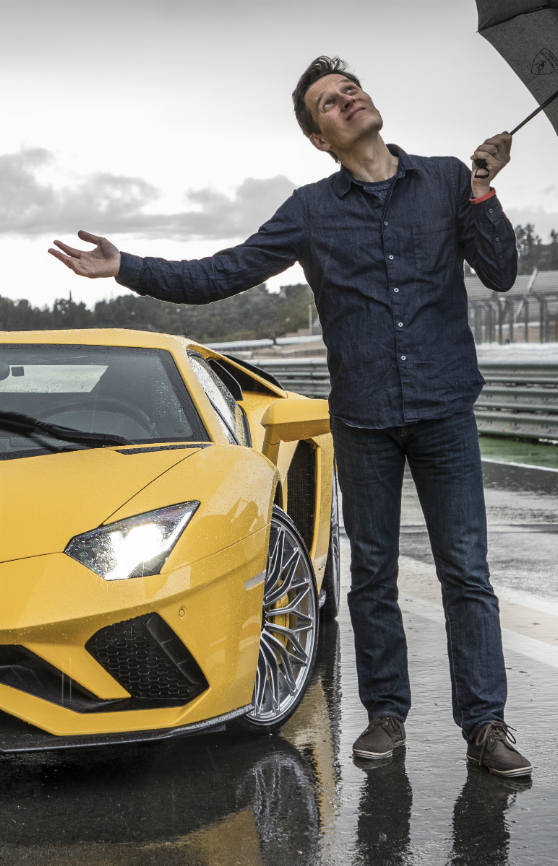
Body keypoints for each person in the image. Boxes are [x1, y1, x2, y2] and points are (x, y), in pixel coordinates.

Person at [49, 56, 531, 777]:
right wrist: (126, 266)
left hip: (445, 411)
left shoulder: (446, 181)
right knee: (372, 574)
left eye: (351, 88)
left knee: (466, 572)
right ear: (319, 138)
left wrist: (484, 189)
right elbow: (220, 273)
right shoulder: (310, 208)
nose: (348, 99)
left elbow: (501, 272)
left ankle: (486, 725)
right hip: (365, 418)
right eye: (330, 103)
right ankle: (387, 718)